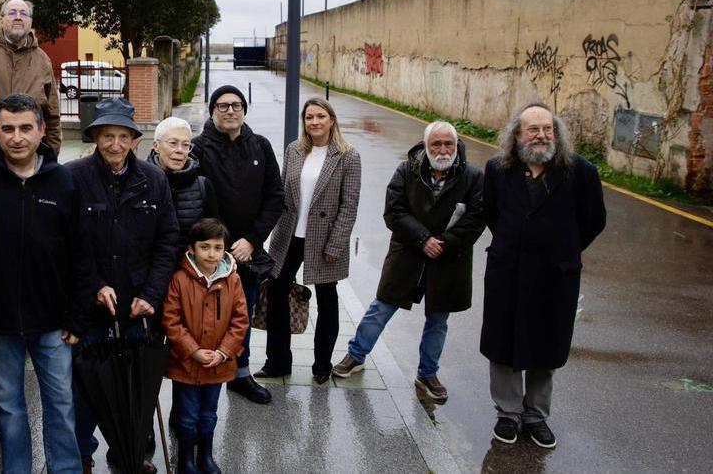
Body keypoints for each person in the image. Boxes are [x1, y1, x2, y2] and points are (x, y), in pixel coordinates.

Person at [0, 93, 86, 473]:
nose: (17, 137)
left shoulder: (64, 182)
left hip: (53, 322)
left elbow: (81, 252)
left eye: (26, 128)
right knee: (10, 408)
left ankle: (65, 469)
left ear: (41, 130)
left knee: (61, 405)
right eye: (7, 128)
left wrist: (77, 317)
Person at [481, 103, 605, 449]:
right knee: (503, 342)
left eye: (548, 129)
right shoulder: (498, 169)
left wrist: (561, 249)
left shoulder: (580, 172)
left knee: (546, 344)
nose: (541, 135)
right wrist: (517, 244)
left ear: (557, 133)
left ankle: (535, 415)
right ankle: (508, 413)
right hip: (508, 270)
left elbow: (593, 221)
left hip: (555, 275)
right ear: (517, 135)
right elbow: (492, 213)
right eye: (533, 129)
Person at [332, 121, 484, 402]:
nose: (442, 149)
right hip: (408, 253)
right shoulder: (408, 170)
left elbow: (477, 219)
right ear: (425, 146)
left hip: (449, 259)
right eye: (436, 144)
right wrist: (423, 239)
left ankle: (427, 373)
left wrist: (446, 243)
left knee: (438, 319)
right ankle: (356, 355)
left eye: (448, 143)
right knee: (382, 307)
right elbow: (393, 211)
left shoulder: (473, 177)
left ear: (456, 145)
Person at [67, 97, 179, 474]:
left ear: (134, 139)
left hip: (137, 305)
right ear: (95, 137)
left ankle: (130, 453)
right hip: (91, 305)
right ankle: (81, 453)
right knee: (86, 387)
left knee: (135, 387)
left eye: (122, 136)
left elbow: (167, 241)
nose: (115, 144)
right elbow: (68, 243)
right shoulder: (75, 176)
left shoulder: (154, 178)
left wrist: (150, 295)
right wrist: (94, 284)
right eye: (106, 136)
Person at [257, 97, 361, 384]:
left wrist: (336, 245)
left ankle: (321, 366)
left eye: (320, 116)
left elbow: (349, 205)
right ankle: (277, 362)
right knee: (277, 292)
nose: (314, 122)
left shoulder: (348, 156)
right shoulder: (294, 150)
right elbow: (280, 193)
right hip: (289, 233)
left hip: (325, 239)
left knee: (327, 300)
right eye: (309, 117)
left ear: (331, 120)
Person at [191, 85, 283, 404]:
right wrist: (215, 246)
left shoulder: (260, 146)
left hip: (248, 252)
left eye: (236, 105)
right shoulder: (198, 148)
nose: (230, 111)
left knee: (242, 314)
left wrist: (252, 240)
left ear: (244, 110)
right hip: (210, 254)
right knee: (207, 319)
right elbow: (192, 200)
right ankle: (202, 377)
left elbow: (275, 197)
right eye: (223, 106)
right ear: (212, 111)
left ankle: (240, 375)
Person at [161, 218, 248, 474]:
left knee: (209, 414)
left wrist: (223, 352)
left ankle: (205, 456)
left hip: (218, 364)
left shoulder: (232, 280)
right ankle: (186, 459)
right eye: (205, 247)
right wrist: (193, 351)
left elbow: (240, 319)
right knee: (187, 416)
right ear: (192, 249)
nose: (211, 254)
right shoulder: (179, 279)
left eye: (218, 248)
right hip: (186, 363)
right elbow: (171, 319)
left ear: (225, 250)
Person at [0, 0, 62, 152]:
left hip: (31, 152)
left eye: (23, 14)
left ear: (30, 21)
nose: (18, 17)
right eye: (12, 13)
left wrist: (52, 152)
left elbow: (52, 114)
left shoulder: (42, 59)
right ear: (1, 19)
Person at [148, 116, 220, 245]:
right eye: (173, 143)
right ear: (156, 146)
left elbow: (213, 235)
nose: (180, 150)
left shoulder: (203, 185)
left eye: (186, 145)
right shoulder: (139, 182)